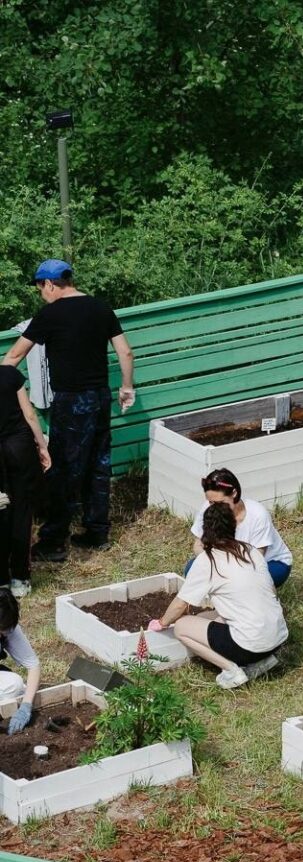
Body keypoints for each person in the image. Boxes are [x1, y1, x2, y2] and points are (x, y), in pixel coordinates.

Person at [2, 259, 135, 560]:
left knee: (62, 469)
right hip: (100, 398)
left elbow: (13, 356)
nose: (41, 296)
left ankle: (53, 542)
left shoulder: (51, 313)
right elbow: (125, 351)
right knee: (98, 464)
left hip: (71, 402)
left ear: (49, 284)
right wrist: (126, 387)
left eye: (40, 290)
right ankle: (97, 531)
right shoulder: (101, 307)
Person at [150, 503, 288, 688]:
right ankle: (261, 661)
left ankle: (233, 670)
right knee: (203, 618)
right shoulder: (250, 550)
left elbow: (180, 605)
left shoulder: (209, 560)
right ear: (234, 526)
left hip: (250, 646)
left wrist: (162, 623)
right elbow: (270, 591)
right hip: (277, 637)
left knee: (182, 626)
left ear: (206, 531)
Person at [188, 468, 293, 587]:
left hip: (269, 562)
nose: (214, 507)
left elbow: (257, 558)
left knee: (242, 583)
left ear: (234, 493)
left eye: (220, 502)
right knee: (191, 570)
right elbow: (198, 545)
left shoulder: (258, 514)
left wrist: (223, 571)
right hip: (224, 561)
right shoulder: (208, 508)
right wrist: (210, 563)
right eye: (211, 502)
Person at [0, 360, 51, 596]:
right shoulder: (11, 374)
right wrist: (42, 446)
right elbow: (29, 415)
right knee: (22, 512)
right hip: (20, 447)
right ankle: (20, 578)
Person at [0, 590, 43, 735]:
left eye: (3, 632)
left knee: (16, 685)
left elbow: (33, 665)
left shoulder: (7, 626)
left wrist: (25, 706)